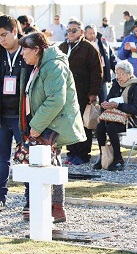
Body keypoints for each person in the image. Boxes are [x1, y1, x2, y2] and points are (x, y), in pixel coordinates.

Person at [19, 32, 86, 222]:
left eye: (25, 49)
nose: (22, 53)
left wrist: (36, 125)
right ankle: (47, 206)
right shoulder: (41, 64)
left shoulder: (53, 65)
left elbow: (56, 100)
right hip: (46, 123)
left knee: (52, 164)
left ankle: (57, 208)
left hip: (53, 125)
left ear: (37, 50)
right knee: (47, 163)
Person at [58, 20, 103, 165]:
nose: (70, 33)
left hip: (83, 92)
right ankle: (71, 152)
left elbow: (97, 72)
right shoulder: (62, 47)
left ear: (81, 32)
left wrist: (93, 93)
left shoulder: (89, 48)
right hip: (66, 92)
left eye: (74, 30)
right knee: (68, 123)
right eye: (68, 30)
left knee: (83, 123)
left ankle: (83, 154)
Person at [94, 60, 137, 171]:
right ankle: (104, 155)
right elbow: (109, 99)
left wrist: (119, 106)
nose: (118, 77)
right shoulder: (116, 84)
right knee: (100, 127)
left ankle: (118, 158)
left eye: (121, 74)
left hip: (131, 119)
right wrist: (105, 104)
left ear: (129, 74)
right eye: (117, 73)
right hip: (114, 117)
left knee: (112, 127)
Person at [0, 15, 31, 211]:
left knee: (27, 158)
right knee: (2, 158)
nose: (1, 40)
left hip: (23, 117)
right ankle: (1, 196)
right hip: (3, 115)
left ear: (14, 32)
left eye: (4, 35)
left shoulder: (28, 52)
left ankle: (30, 197)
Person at [84, 24, 117, 103]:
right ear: (85, 34)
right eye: (90, 33)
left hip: (102, 76)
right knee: (88, 103)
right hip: (87, 78)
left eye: (94, 33)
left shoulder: (103, 42)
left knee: (104, 101)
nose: (92, 35)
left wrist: (117, 70)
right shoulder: (82, 45)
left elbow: (111, 57)